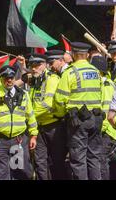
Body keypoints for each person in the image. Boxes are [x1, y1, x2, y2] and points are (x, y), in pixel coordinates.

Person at [53, 42, 105, 180]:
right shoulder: (95, 72)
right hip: (96, 118)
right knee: (94, 157)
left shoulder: (70, 72)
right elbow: (102, 94)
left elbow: (59, 99)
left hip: (78, 122)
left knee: (78, 159)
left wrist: (59, 114)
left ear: (74, 55)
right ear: (87, 55)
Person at [0, 65, 38, 180]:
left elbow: (31, 116)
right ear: (1, 79)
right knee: (1, 175)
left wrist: (33, 135)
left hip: (18, 140)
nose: (9, 80)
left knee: (19, 173)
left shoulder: (23, 95)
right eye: (6, 78)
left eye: (11, 77)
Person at [30, 52, 67, 180]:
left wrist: (29, 116)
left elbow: (47, 104)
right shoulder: (36, 81)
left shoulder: (52, 79)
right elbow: (31, 102)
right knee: (40, 162)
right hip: (39, 127)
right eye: (31, 65)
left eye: (37, 65)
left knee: (57, 162)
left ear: (45, 65)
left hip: (54, 127)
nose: (33, 68)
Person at [90, 55, 116, 180]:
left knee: (102, 162)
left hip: (107, 131)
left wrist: (100, 128)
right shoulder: (101, 84)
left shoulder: (107, 85)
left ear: (98, 71)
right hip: (104, 129)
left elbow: (107, 111)